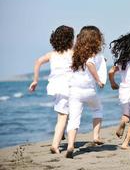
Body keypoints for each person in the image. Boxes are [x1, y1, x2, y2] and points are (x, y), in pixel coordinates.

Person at [28, 25, 74, 154]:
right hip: (68, 87)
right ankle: (55, 144)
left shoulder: (51, 54)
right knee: (63, 116)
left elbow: (38, 61)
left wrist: (35, 80)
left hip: (55, 87)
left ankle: (61, 133)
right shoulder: (73, 53)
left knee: (64, 113)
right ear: (70, 40)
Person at [66, 26, 107, 158]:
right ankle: (96, 136)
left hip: (74, 91)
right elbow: (90, 64)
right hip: (89, 90)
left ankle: (70, 145)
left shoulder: (75, 52)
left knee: (74, 119)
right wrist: (98, 80)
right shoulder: (93, 53)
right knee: (98, 109)